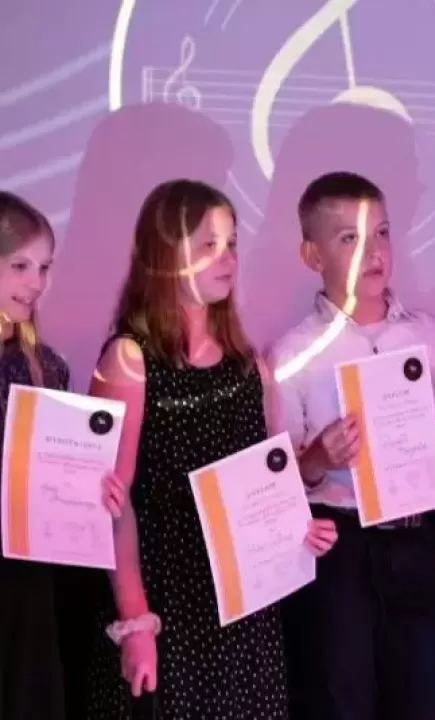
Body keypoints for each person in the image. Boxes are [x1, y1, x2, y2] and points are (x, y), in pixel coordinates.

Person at [81, 179, 337, 719]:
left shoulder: (248, 364)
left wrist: (297, 529)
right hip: (167, 604)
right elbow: (113, 505)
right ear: (165, 255)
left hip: (243, 611)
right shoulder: (129, 358)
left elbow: (266, 481)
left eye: (232, 244)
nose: (228, 259)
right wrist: (135, 620)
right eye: (209, 245)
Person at [269, 171, 435, 719]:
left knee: (427, 702)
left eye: (382, 233)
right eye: (350, 239)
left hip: (416, 539)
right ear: (313, 255)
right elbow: (277, 484)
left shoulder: (425, 337)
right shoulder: (292, 355)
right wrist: (316, 459)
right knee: (342, 701)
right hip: (340, 549)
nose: (374, 252)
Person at [0, 191, 125, 720]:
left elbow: (60, 467)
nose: (36, 282)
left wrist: (95, 487)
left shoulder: (46, 366)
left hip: (29, 579)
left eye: (45, 267)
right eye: (20, 266)